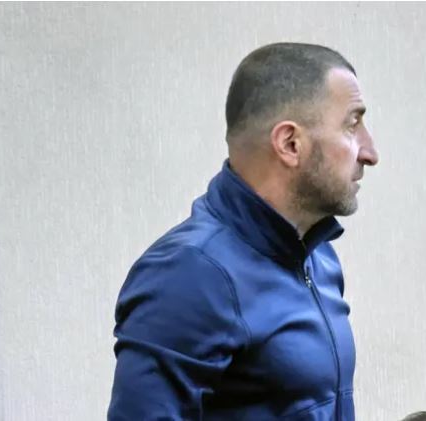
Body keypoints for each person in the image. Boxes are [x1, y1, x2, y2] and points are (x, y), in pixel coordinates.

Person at [107, 42, 378, 420]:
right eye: (352, 124)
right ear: (290, 143)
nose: (370, 152)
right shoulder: (189, 273)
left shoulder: (318, 256)